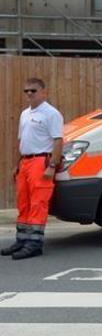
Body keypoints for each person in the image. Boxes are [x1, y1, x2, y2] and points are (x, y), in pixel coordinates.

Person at [2, 78, 64, 260]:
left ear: (44, 92)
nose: (29, 94)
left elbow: (58, 141)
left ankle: (34, 244)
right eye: (26, 91)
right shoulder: (24, 114)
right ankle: (21, 240)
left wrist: (52, 166)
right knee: (24, 203)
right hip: (26, 162)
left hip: (40, 162)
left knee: (38, 203)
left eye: (33, 91)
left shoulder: (51, 114)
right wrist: (17, 163)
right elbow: (22, 141)